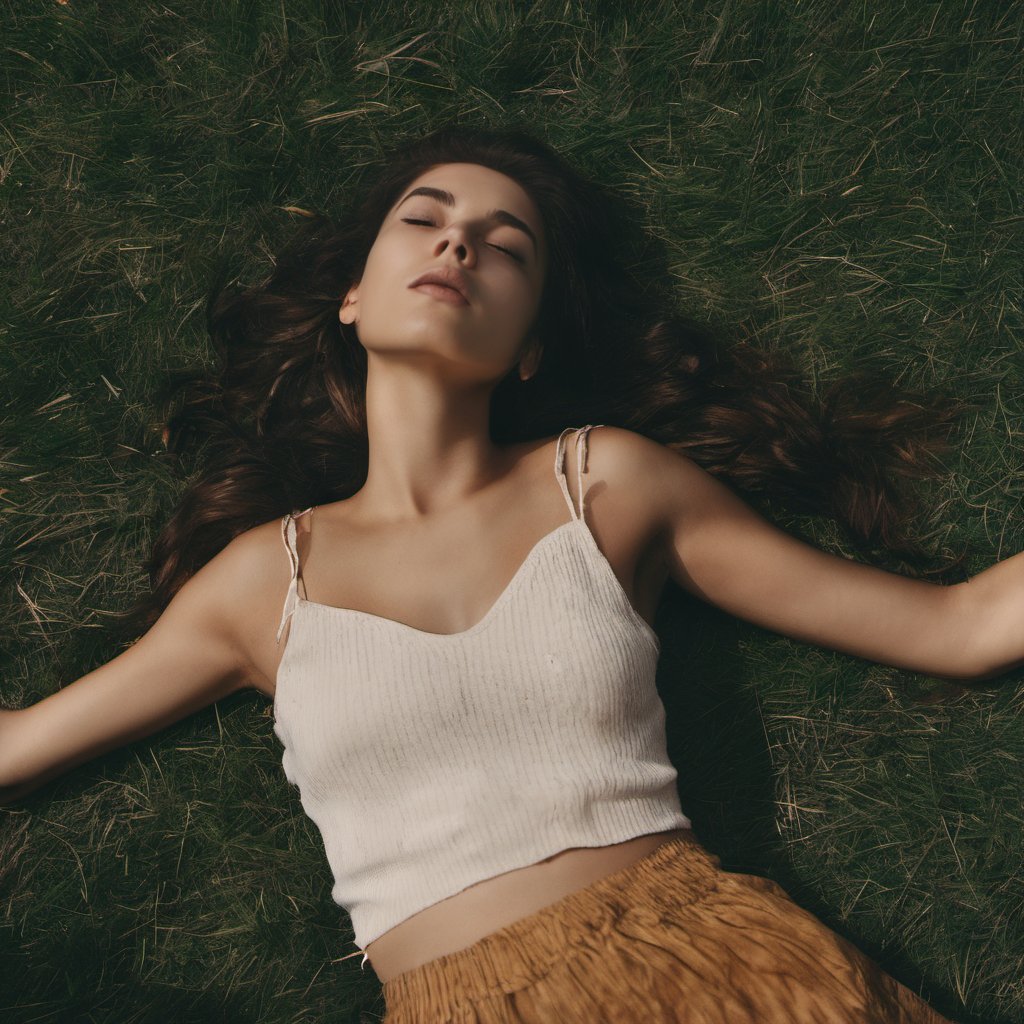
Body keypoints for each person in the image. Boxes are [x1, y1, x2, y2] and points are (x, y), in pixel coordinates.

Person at [2, 122, 1016, 1024]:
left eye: (506, 245)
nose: (458, 244)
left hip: (705, 966)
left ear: (529, 346)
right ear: (352, 297)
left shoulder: (602, 483)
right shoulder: (261, 584)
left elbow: (958, 628)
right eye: (425, 219)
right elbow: (16, 751)